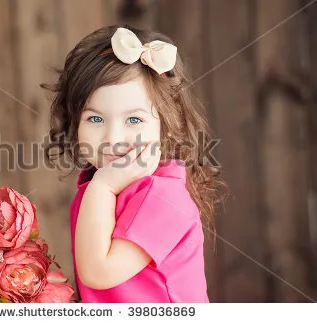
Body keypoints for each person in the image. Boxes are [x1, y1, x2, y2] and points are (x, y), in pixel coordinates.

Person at [42, 25, 226, 303]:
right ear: (75, 121)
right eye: (95, 119)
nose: (113, 138)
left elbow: (98, 271)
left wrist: (103, 187)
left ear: (165, 125)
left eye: (134, 120)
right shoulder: (100, 184)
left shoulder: (164, 198)